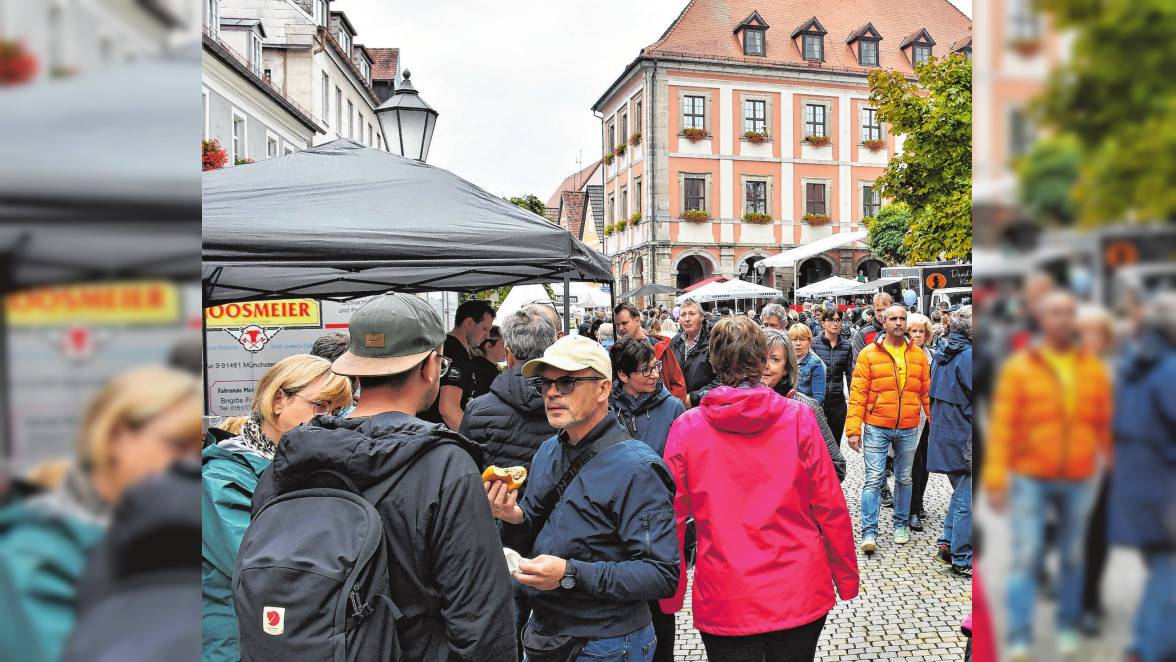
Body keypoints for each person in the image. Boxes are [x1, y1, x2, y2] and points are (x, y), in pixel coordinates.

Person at [253, 294, 516, 661]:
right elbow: (482, 622)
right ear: (429, 366)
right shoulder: (445, 465)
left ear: (356, 371)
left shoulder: (295, 455)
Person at [661, 317, 858, 660]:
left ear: (715, 361)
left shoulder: (687, 428)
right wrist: (845, 576)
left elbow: (671, 517)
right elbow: (829, 505)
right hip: (798, 586)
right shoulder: (798, 418)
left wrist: (671, 593)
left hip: (727, 591)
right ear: (762, 360)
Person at [488, 335, 679, 661]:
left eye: (566, 382)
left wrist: (569, 573)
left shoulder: (639, 467)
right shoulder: (548, 450)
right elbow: (533, 524)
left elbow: (662, 575)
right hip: (545, 631)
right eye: (544, 384)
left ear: (603, 389)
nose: (551, 393)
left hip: (608, 642)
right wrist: (513, 517)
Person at [0, 366, 202, 661]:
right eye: (177, 445)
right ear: (115, 437)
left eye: (200, 451)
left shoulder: (175, 530)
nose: (191, 465)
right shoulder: (33, 555)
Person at [985, 291, 1112, 660]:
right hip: (1030, 475)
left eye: (1068, 313)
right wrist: (995, 478)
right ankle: (1021, 636)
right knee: (1027, 553)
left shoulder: (1092, 367)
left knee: (1073, 556)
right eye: (1054, 313)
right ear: (1042, 320)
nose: (1061, 320)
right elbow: (1004, 425)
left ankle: (1068, 626)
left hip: (1080, 475)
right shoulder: (1021, 368)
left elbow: (1104, 422)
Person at [202, 354, 353, 662]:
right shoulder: (220, 478)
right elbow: (266, 573)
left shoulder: (310, 465)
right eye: (320, 405)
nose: (330, 420)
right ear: (278, 400)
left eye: (339, 411)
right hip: (235, 642)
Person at [460, 309, 559, 660]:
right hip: (562, 538)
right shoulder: (569, 407)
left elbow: (466, 477)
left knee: (508, 630)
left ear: (509, 353)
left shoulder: (478, 409)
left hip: (502, 539)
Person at [1107, 293, 1176, 662]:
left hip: (1136, 483)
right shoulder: (1168, 369)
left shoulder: (1133, 364)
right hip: (1164, 487)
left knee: (1161, 569)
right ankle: (1151, 649)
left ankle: (1141, 644)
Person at [608, 337, 685, 662]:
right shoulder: (606, 407)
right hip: (613, 523)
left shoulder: (673, 409)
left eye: (654, 367)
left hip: (659, 524)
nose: (655, 374)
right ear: (623, 376)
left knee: (660, 609)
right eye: (645, 370)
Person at [846, 305, 932, 552]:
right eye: (892, 318)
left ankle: (900, 524)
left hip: (908, 426)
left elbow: (926, 393)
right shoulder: (868, 354)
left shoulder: (917, 356)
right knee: (874, 479)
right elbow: (858, 392)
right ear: (883, 323)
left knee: (905, 479)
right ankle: (869, 532)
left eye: (902, 318)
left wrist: (934, 423)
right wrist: (853, 429)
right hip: (876, 426)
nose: (898, 323)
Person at [761, 329, 847, 482]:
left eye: (775, 359)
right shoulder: (741, 405)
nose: (765, 366)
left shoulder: (805, 407)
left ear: (787, 368)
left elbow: (836, 467)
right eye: (760, 358)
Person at [926, 306, 973, 578]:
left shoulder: (943, 352)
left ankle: (947, 544)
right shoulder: (969, 356)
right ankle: (962, 557)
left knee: (961, 494)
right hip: (966, 437)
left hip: (948, 434)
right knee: (969, 500)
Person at [421, 299, 496, 430]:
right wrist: (471, 442)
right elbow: (448, 409)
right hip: (442, 436)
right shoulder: (456, 353)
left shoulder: (446, 346)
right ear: (469, 323)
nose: (487, 335)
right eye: (485, 329)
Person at [613, 302, 688, 403]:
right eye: (617, 324)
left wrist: (669, 409)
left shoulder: (661, 348)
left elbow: (678, 384)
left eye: (624, 323)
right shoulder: (617, 352)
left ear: (637, 321)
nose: (620, 328)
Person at [906, 312, 935, 532]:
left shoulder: (933, 356)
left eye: (921, 331)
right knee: (911, 463)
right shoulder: (902, 354)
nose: (917, 335)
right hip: (907, 415)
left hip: (927, 415)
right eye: (913, 331)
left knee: (923, 461)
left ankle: (918, 502)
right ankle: (911, 508)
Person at [669, 298, 721, 409]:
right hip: (678, 406)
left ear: (701, 317)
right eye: (683, 315)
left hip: (705, 407)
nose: (687, 319)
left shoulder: (715, 341)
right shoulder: (675, 342)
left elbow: (722, 378)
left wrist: (694, 398)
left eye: (692, 314)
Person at [813, 306, 852, 446]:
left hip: (837, 402)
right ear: (823, 322)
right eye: (831, 320)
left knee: (835, 445)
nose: (835, 324)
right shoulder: (814, 344)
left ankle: (834, 469)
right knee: (817, 444)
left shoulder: (846, 346)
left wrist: (853, 402)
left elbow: (849, 375)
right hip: (818, 402)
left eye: (838, 320)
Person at [849, 292, 893, 379]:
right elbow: (858, 365)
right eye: (878, 310)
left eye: (885, 310)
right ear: (873, 309)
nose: (882, 314)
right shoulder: (864, 333)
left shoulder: (899, 331)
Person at [788, 323, 827, 406]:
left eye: (802, 339)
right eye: (794, 339)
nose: (798, 343)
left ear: (810, 342)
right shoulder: (784, 361)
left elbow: (818, 398)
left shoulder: (815, 364)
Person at [469, 325, 506, 400]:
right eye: (503, 344)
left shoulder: (473, 366)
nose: (507, 348)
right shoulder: (486, 371)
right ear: (488, 346)